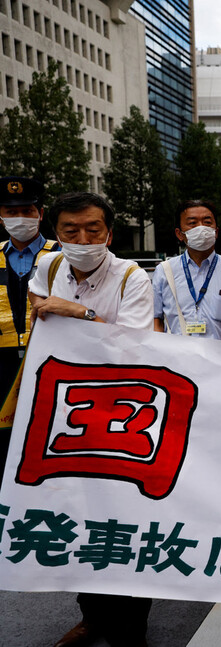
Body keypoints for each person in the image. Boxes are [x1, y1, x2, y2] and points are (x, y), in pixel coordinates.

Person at [27, 192, 154, 647]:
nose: (81, 240)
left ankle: (131, 631)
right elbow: (37, 300)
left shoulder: (132, 278)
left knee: (125, 522)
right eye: (69, 232)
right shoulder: (51, 267)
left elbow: (136, 348)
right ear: (56, 234)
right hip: (66, 416)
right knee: (77, 516)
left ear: (109, 233)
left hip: (124, 420)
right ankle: (92, 616)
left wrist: (78, 311)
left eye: (92, 230)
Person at [0, 177, 58, 477]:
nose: (19, 218)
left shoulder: (63, 254)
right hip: (2, 365)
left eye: (26, 210)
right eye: (11, 212)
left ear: (40, 213)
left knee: (47, 436)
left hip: (50, 361)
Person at [152, 199, 221, 339]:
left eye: (207, 222)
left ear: (216, 231)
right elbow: (156, 319)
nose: (201, 228)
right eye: (192, 223)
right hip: (178, 358)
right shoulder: (164, 271)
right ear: (179, 234)